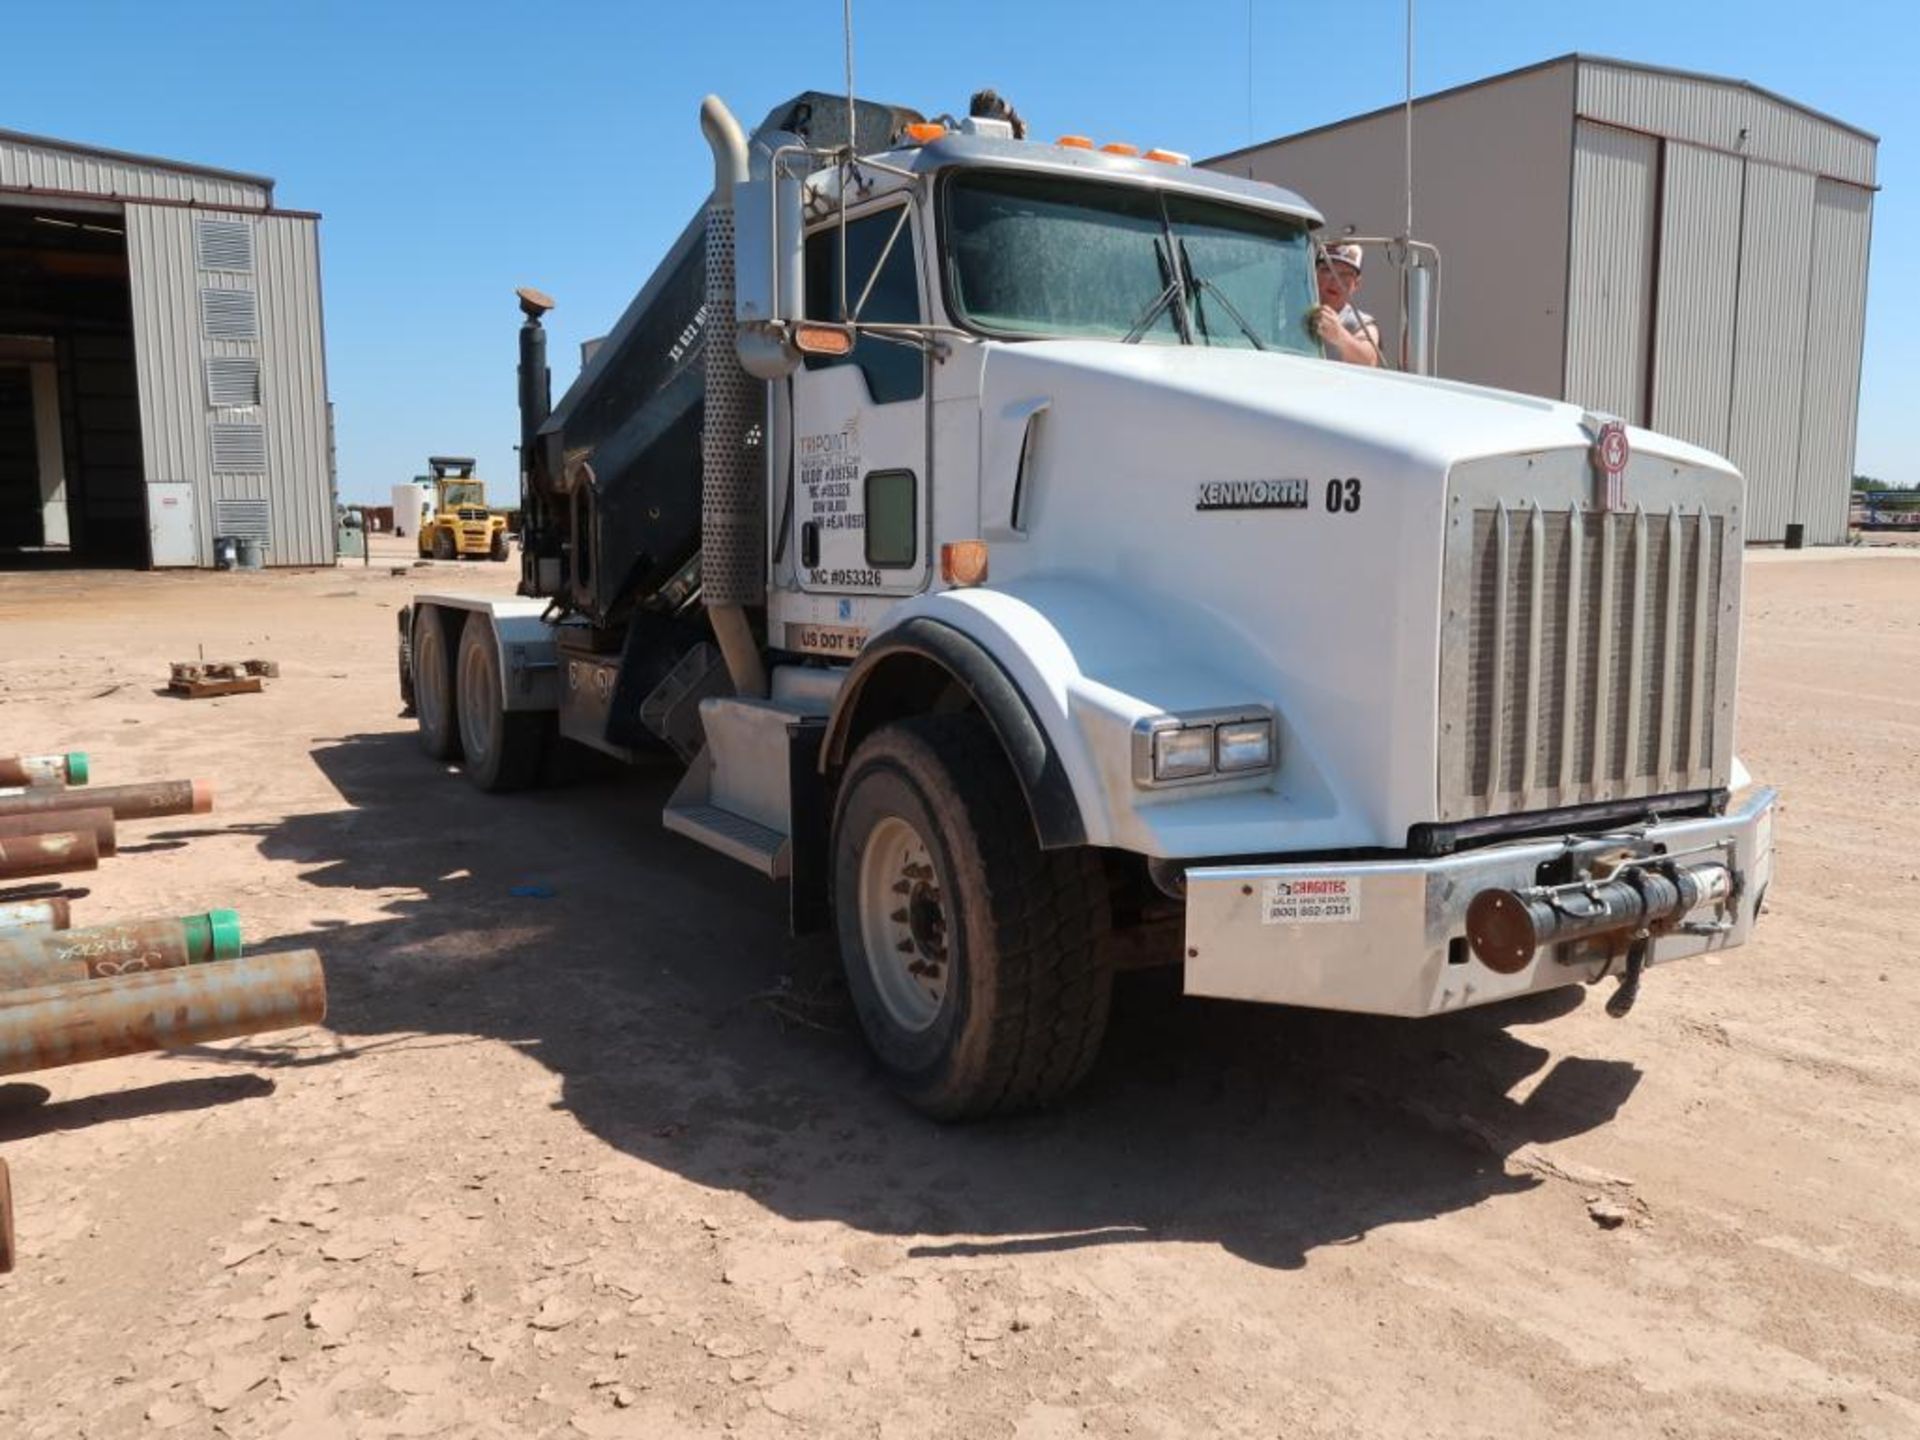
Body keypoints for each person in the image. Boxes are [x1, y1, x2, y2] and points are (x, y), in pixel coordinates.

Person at [1311, 243, 1382, 367]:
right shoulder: (1289, 308)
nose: (1334, 280)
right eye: (1327, 270)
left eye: (1345, 275)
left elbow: (1369, 360)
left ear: (1357, 284)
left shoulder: (1360, 323)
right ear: (1314, 273)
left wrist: (1339, 335)